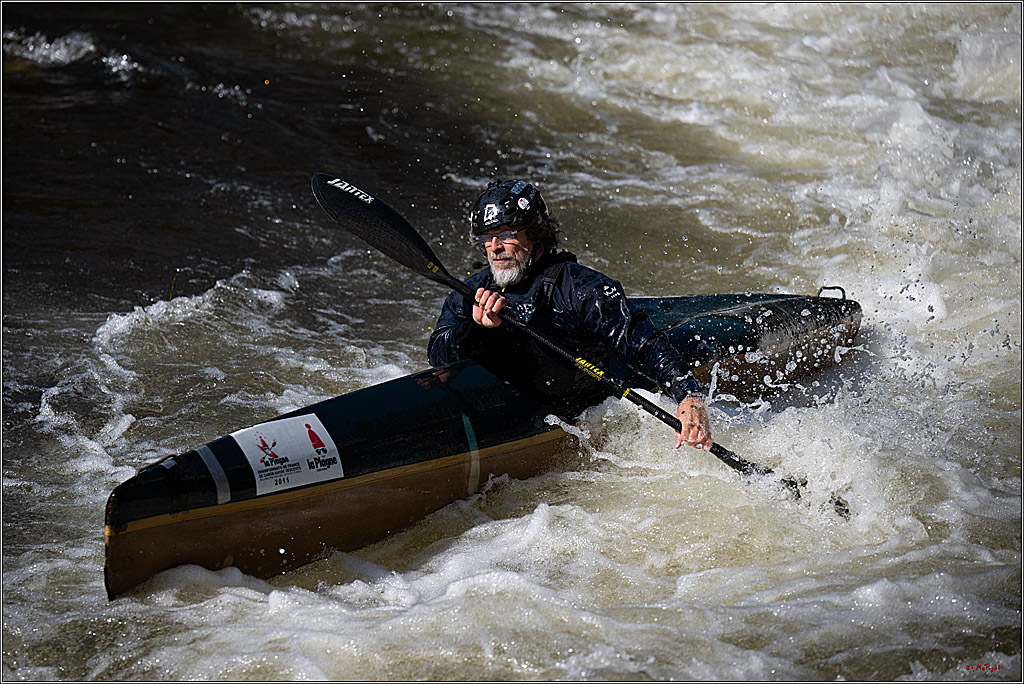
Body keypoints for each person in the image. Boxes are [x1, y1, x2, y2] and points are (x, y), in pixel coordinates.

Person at [427, 179, 712, 450]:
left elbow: (643, 344)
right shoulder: (470, 293)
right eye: (486, 238)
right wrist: (476, 329)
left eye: (506, 234)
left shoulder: (582, 289)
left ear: (535, 233)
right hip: (514, 405)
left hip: (588, 408)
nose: (495, 248)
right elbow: (438, 356)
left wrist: (689, 397)